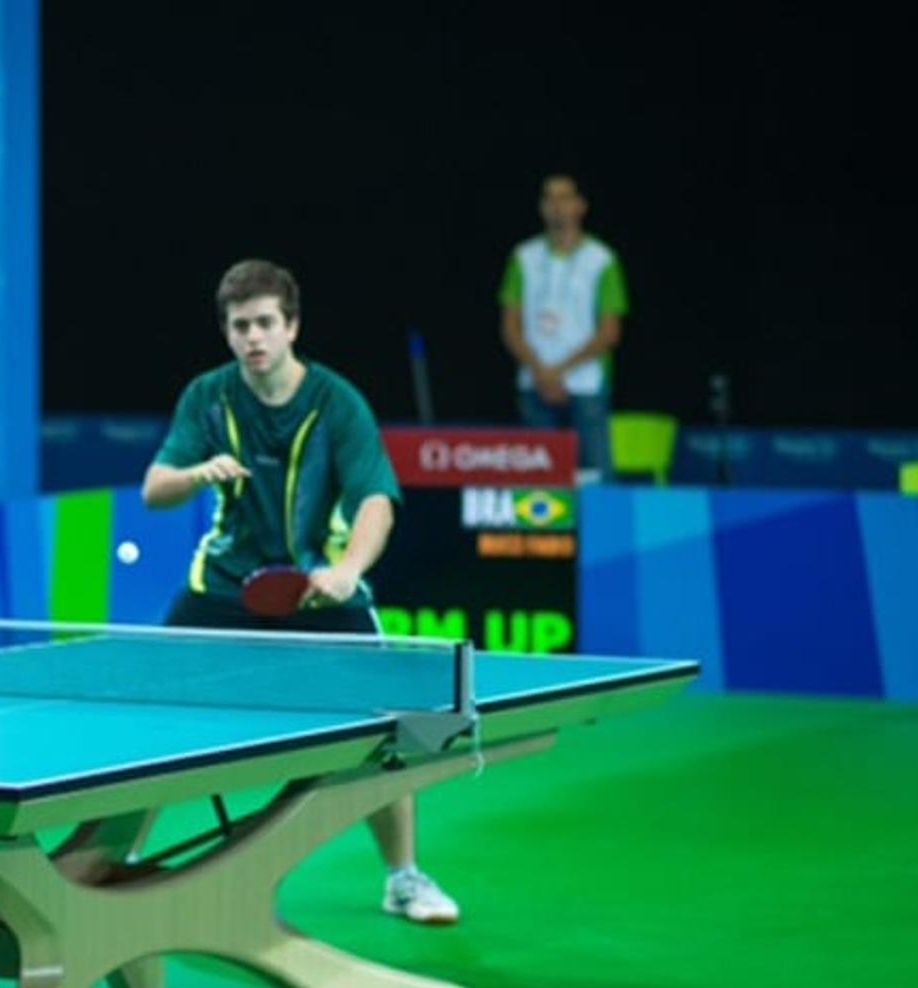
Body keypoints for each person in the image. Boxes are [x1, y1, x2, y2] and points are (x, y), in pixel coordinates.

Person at [141, 258, 460, 926]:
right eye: (239, 326)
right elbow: (154, 489)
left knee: (392, 727)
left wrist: (347, 569)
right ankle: (116, 873)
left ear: (291, 326)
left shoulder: (337, 402)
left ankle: (403, 876)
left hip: (321, 589)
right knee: (145, 717)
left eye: (264, 323)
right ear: (226, 332)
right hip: (222, 586)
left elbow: (377, 500)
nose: (252, 337)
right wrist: (199, 471)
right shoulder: (210, 396)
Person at [499, 174, 629, 481]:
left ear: (581, 206)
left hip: (587, 385)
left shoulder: (602, 260)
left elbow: (609, 332)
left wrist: (558, 372)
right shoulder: (523, 257)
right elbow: (510, 326)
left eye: (564, 198)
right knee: (537, 481)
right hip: (534, 383)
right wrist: (542, 372)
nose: (556, 206)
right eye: (549, 198)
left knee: (596, 477)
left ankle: (601, 530)